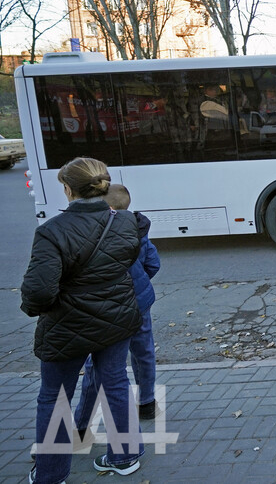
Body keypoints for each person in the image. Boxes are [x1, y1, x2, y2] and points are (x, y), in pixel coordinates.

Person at [21, 157, 144, 482]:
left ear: (68, 189)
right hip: (117, 318)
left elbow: (39, 291)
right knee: (115, 382)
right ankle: (125, 456)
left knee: (55, 398)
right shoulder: (125, 221)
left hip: (67, 326)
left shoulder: (52, 231)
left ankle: (50, 475)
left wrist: (35, 307)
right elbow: (126, 259)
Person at [74, 184, 161, 444]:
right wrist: (139, 283)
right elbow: (153, 263)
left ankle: (81, 426)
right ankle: (147, 401)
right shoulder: (137, 228)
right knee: (143, 351)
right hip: (139, 302)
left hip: (108, 307)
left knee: (99, 364)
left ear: (108, 207)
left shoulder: (95, 231)